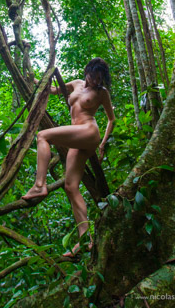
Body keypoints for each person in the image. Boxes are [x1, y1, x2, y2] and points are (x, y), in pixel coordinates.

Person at [22, 58, 115, 257]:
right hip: (77, 137)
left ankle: (39, 185)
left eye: (100, 79)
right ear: (87, 71)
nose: (96, 81)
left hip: (89, 132)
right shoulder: (76, 84)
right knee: (71, 187)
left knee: (43, 136)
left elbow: (111, 119)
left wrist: (102, 144)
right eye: (94, 76)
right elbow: (53, 90)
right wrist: (35, 79)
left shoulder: (102, 93)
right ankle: (85, 240)